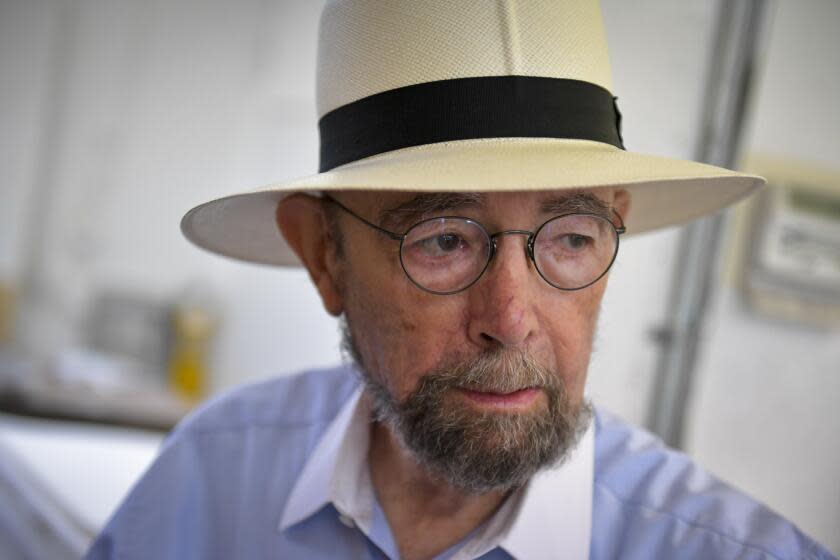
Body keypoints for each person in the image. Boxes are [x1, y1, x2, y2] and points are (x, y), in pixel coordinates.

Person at [87, 1, 834, 559]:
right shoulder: (212, 478)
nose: (511, 319)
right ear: (325, 257)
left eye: (571, 238)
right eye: (442, 239)